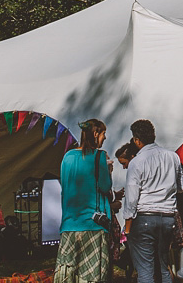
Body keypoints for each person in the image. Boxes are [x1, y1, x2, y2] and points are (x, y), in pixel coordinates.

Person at [123, 118, 183, 283]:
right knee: (163, 266)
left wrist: (128, 227)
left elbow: (131, 198)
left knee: (145, 271)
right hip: (167, 218)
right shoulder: (173, 157)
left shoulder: (136, 162)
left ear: (137, 140)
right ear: (153, 135)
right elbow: (180, 187)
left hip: (144, 217)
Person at [54, 119, 112, 283]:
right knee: (92, 276)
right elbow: (105, 187)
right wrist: (109, 171)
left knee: (68, 274)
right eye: (103, 134)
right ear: (95, 134)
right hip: (93, 225)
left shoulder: (67, 157)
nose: (105, 138)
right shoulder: (99, 156)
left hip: (69, 224)